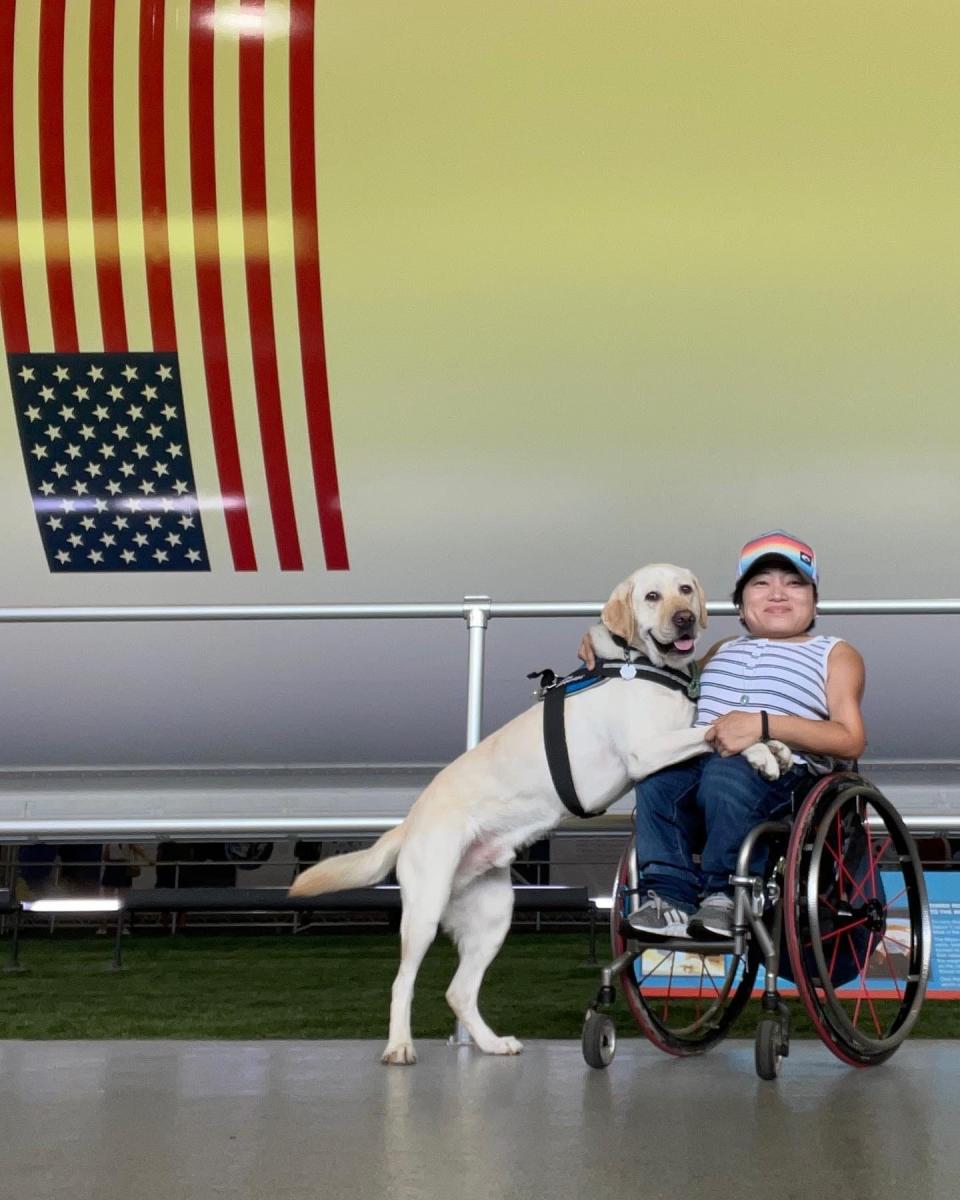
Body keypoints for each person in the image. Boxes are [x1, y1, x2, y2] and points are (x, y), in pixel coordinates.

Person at [579, 531, 866, 939]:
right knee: (657, 779)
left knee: (725, 774)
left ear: (814, 601)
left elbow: (850, 738)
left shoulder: (833, 652)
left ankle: (727, 894)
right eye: (761, 583)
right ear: (741, 606)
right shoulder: (720, 651)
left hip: (783, 777)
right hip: (698, 767)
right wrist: (603, 644)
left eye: (795, 583)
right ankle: (668, 897)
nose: (778, 593)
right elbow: (654, 679)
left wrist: (762, 725)